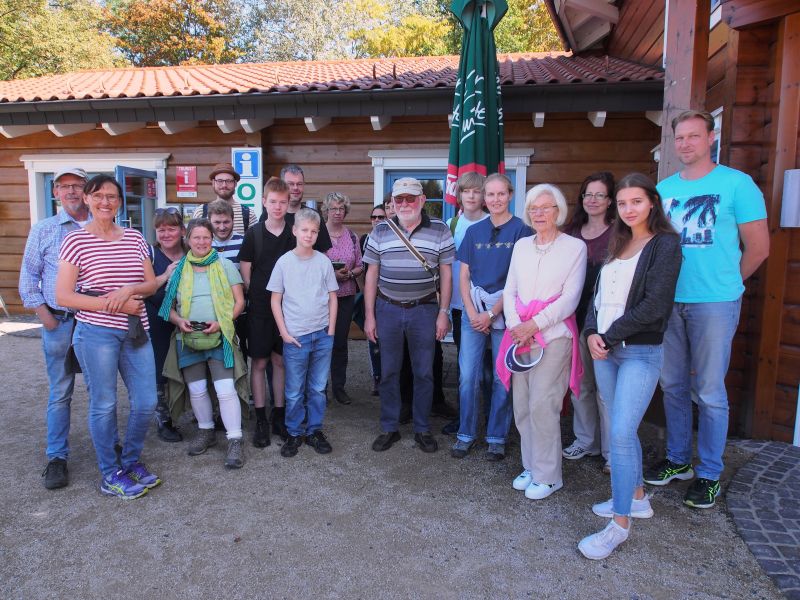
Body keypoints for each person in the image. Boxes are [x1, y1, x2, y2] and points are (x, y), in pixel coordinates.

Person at [646, 110, 769, 508]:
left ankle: (710, 473)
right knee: (674, 386)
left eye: (693, 137)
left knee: (710, 391)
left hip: (714, 303)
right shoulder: (663, 190)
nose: (685, 144)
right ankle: (679, 460)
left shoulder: (737, 184)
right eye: (679, 138)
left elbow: (759, 248)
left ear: (711, 138)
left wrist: (729, 287)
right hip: (669, 303)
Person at [577, 173, 682, 559]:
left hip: (638, 351)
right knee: (620, 427)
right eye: (622, 203)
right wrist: (591, 331)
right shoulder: (619, 241)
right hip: (605, 349)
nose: (628, 209)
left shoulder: (665, 244)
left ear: (652, 202)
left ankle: (619, 525)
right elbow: (599, 296)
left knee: (620, 432)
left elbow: (655, 305)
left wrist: (609, 335)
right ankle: (636, 496)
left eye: (635, 201)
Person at [55, 175, 160, 500]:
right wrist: (111, 303)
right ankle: (109, 472)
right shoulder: (75, 241)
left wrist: (129, 290)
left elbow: (151, 284)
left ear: (119, 202)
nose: (105, 202)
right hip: (96, 332)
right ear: (87, 199)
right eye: (98, 195)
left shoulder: (134, 238)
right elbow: (64, 296)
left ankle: (129, 461)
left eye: (112, 196)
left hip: (135, 329)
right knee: (104, 404)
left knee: (146, 402)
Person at [500, 183, 586, 500]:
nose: (539, 213)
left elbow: (570, 298)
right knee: (522, 405)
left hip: (554, 337)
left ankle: (549, 476)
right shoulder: (521, 246)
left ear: (558, 211)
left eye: (545, 207)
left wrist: (534, 324)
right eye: (534, 208)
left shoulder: (574, 248)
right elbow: (509, 291)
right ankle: (532, 466)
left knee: (542, 404)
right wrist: (515, 325)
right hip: (519, 336)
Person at [363, 177, 455, 454]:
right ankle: (390, 426)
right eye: (399, 199)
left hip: (425, 310)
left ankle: (422, 428)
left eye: (410, 198)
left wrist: (443, 312)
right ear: (392, 203)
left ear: (422, 200)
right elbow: (371, 275)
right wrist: (369, 315)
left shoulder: (440, 230)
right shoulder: (380, 231)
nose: (404, 204)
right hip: (387, 309)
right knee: (389, 372)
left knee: (424, 372)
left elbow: (447, 275)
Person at [452, 173, 531, 461]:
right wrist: (473, 313)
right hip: (474, 313)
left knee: (502, 377)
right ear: (484, 199)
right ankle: (465, 433)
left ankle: (496, 436)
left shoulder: (522, 231)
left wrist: (492, 313)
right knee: (467, 376)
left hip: (506, 314)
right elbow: (463, 275)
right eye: (490, 195)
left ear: (510, 195)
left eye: (501, 194)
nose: (495, 199)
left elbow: (519, 278)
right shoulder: (474, 231)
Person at [19, 167, 89, 489]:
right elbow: (27, 279)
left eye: (78, 185)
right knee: (61, 392)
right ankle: (57, 457)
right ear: (55, 193)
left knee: (100, 390)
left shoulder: (102, 227)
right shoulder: (44, 230)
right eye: (65, 186)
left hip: (95, 322)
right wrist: (46, 317)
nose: (72, 191)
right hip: (59, 322)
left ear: (87, 190)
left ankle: (109, 448)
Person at [158, 218, 248, 469]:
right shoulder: (178, 269)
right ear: (188, 239)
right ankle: (206, 431)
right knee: (197, 390)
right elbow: (168, 307)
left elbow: (239, 302)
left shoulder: (225, 265)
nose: (201, 242)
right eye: (196, 237)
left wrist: (221, 321)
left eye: (205, 237)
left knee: (225, 389)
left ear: (212, 239)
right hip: (188, 337)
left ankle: (234, 439)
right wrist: (180, 321)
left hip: (219, 336)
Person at [268, 208, 339, 457]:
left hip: (321, 334)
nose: (309, 235)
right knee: (294, 389)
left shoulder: (323, 262)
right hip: (295, 337)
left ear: (318, 233)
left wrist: (330, 329)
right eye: (305, 230)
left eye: (314, 231)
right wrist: (284, 333)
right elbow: (275, 300)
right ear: (295, 230)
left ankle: (314, 430)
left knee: (318, 387)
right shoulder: (285, 262)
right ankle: (294, 432)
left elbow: (332, 297)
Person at [563, 172, 616, 472]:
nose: (592, 200)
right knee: (581, 385)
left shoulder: (620, 233)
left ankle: (611, 452)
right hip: (576, 316)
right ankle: (586, 441)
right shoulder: (572, 232)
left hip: (606, 322)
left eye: (599, 195)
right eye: (588, 194)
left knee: (606, 389)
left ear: (610, 200)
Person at [441, 172, 490, 436]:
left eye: (476, 191)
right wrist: (446, 308)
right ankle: (464, 418)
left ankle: (490, 419)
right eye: (466, 191)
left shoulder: (492, 222)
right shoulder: (452, 223)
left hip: (489, 307)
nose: (471, 196)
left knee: (488, 370)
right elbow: (447, 268)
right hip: (461, 306)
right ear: (459, 195)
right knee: (465, 368)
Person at [144, 207, 186, 443]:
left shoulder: (191, 252)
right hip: (157, 320)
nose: (166, 233)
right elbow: (142, 289)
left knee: (187, 367)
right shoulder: (149, 255)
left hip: (187, 319)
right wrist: (166, 274)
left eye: (171, 228)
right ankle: (164, 419)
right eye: (161, 229)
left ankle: (189, 411)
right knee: (160, 369)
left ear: (182, 230)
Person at [323, 192, 364, 405]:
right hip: (321, 299)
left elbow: (360, 264)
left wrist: (351, 273)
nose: (338, 212)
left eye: (341, 208)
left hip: (346, 296)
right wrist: (331, 274)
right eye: (333, 208)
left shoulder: (353, 236)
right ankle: (320, 388)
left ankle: (339, 387)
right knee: (321, 343)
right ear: (326, 210)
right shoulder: (318, 235)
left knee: (340, 343)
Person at [359, 205, 387, 396]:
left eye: (381, 217)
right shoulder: (364, 240)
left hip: (391, 297)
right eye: (374, 217)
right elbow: (362, 270)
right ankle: (377, 377)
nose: (377, 220)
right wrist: (365, 291)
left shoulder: (394, 239)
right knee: (374, 338)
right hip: (373, 296)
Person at [279, 164, 332, 251]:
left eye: (299, 184)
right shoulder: (270, 215)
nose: (295, 188)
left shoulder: (314, 216)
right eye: (291, 184)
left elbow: (323, 253)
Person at [192, 163, 257, 235]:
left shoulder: (248, 214)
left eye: (229, 181)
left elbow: (255, 243)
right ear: (213, 183)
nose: (224, 185)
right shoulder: (201, 212)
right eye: (220, 181)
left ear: (235, 183)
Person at [208, 200, 245, 271]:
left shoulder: (244, 243)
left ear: (233, 220)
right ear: (209, 221)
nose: (222, 227)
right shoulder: (203, 243)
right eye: (217, 222)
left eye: (226, 222)